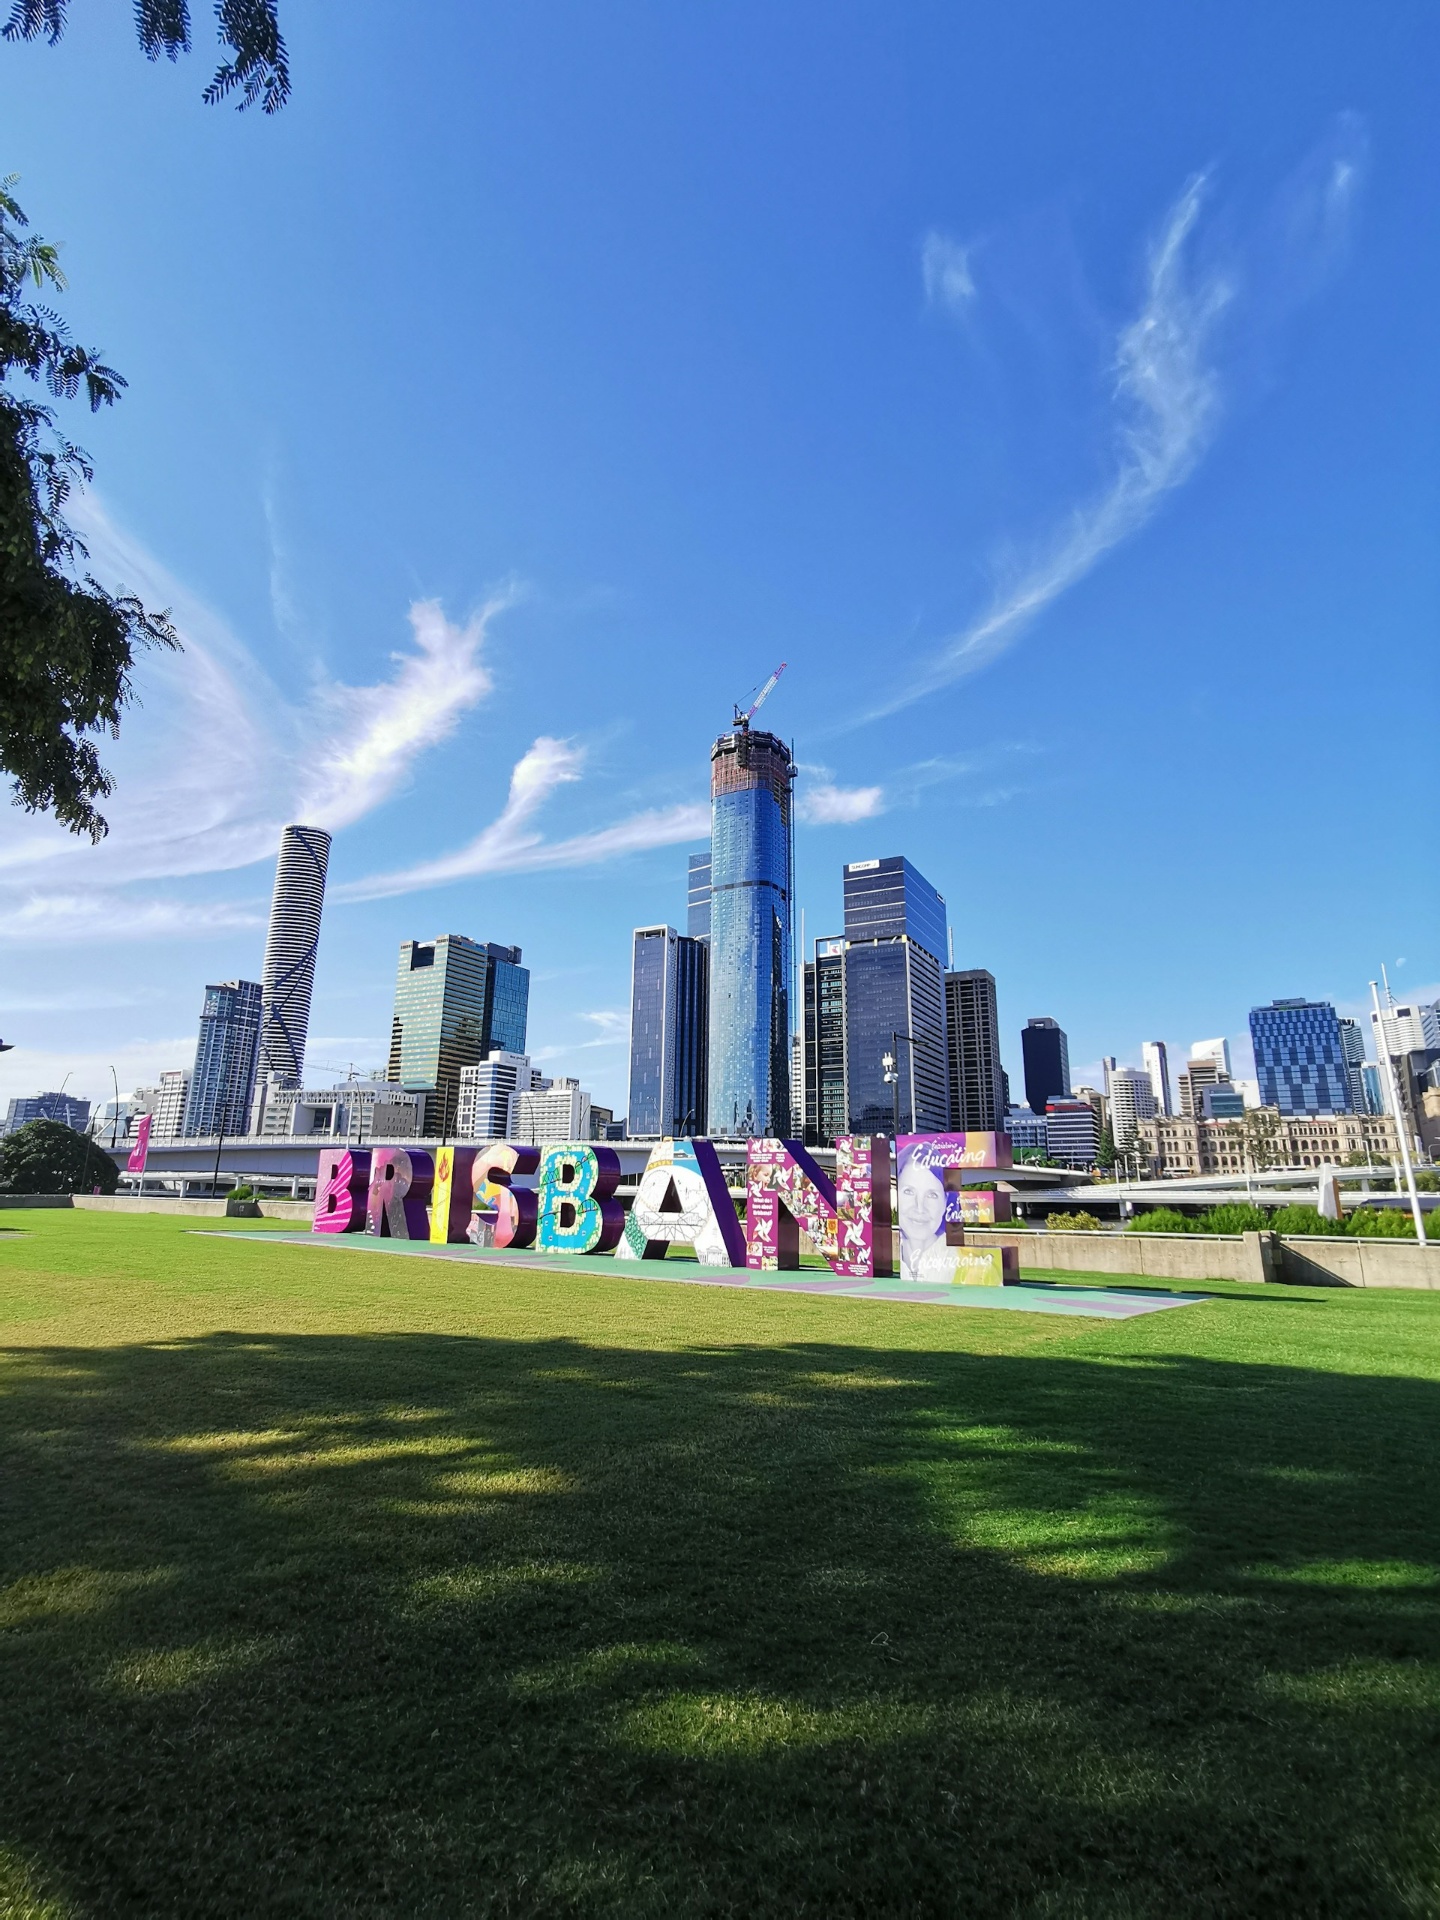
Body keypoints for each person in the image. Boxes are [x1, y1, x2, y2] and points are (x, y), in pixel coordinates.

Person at [896, 1149, 959, 1283]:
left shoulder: (978, 1270)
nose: (919, 1207)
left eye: (932, 1195)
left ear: (945, 1201)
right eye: (908, 1191)